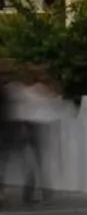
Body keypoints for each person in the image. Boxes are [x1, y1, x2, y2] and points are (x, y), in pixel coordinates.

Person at [0, 71, 62, 206]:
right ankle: (35, 192)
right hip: (25, 128)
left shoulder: (18, 90)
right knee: (34, 162)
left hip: (19, 128)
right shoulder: (29, 91)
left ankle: (29, 192)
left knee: (22, 162)